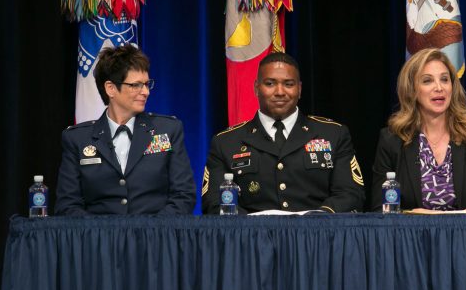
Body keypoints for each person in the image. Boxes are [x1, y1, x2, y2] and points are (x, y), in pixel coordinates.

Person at [202, 52, 365, 214]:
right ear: (256, 88)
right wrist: (252, 226)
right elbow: (214, 202)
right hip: (252, 237)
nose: (280, 92)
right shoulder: (226, 142)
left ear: (299, 89)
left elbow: (350, 194)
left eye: (288, 84)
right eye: (270, 83)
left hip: (318, 236)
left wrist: (319, 218)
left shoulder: (333, 134)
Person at [55, 45, 196, 215]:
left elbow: (183, 196)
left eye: (146, 84)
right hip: (98, 240)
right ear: (111, 88)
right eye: (136, 85)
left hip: (156, 238)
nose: (145, 92)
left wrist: (152, 232)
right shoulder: (77, 139)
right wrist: (101, 237)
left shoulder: (168, 130)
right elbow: (68, 205)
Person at [371, 48, 466, 212]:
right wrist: (410, 215)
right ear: (412, 89)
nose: (439, 87)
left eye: (444, 79)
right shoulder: (392, 139)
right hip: (412, 236)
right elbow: (380, 209)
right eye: (427, 81)